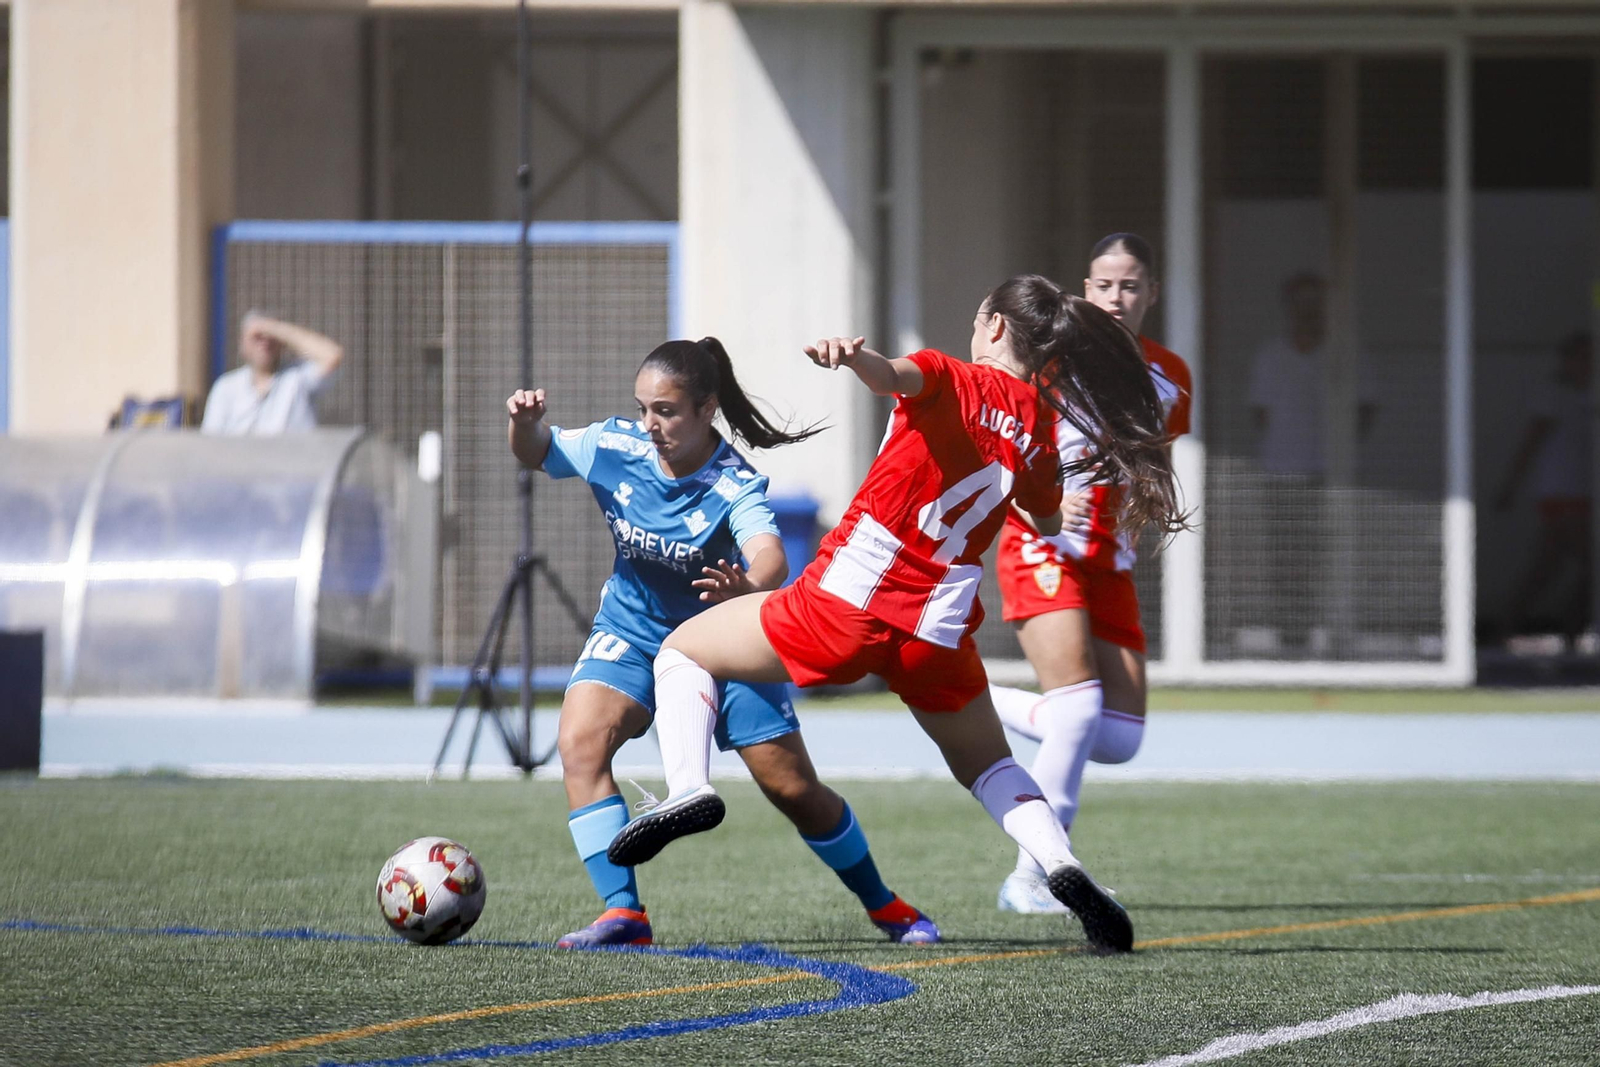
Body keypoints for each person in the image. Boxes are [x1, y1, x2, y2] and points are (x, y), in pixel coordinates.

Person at [607, 277, 1184, 955]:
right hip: (936, 630)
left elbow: (892, 376)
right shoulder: (1038, 424)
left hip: (850, 600)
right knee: (992, 766)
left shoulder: (949, 372)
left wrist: (851, 357)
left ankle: (687, 787)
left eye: (978, 318)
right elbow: (1049, 515)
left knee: (682, 649)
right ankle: (1063, 865)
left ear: (995, 326)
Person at [506, 337, 941, 949]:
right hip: (631, 633)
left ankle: (884, 903)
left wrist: (749, 584)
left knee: (793, 789)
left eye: (666, 411)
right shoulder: (612, 445)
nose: (650, 425)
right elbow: (538, 453)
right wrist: (524, 424)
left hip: (722, 644)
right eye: (643, 409)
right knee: (579, 744)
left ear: (707, 409)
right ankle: (624, 914)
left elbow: (771, 556)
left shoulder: (732, 482)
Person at [986, 234, 1192, 914]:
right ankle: (1036, 874)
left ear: (1151, 293)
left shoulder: (1170, 375)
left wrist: (1149, 500)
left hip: (1111, 560)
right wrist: (1043, 492)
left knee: (1118, 737)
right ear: (1084, 288)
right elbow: (1004, 441)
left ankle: (972, 693)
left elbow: (1151, 458)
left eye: (1130, 285)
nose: (1115, 297)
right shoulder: (1051, 363)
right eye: (1104, 284)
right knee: (1075, 710)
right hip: (1043, 542)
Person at [1494, 331, 1593, 645]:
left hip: (1583, 493)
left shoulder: (1589, 395)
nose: (1589, 362)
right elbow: (1530, 443)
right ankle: (1569, 633)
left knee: (1546, 569)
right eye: (1581, 356)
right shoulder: (1553, 395)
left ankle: (1513, 629)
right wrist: (1510, 485)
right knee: (1589, 567)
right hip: (1561, 493)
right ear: (1566, 361)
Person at [200, 311, 344, 435]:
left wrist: (274, 328)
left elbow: (332, 356)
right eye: (257, 337)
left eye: (271, 338)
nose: (265, 343)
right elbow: (212, 442)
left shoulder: (297, 377)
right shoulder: (226, 387)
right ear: (242, 344)